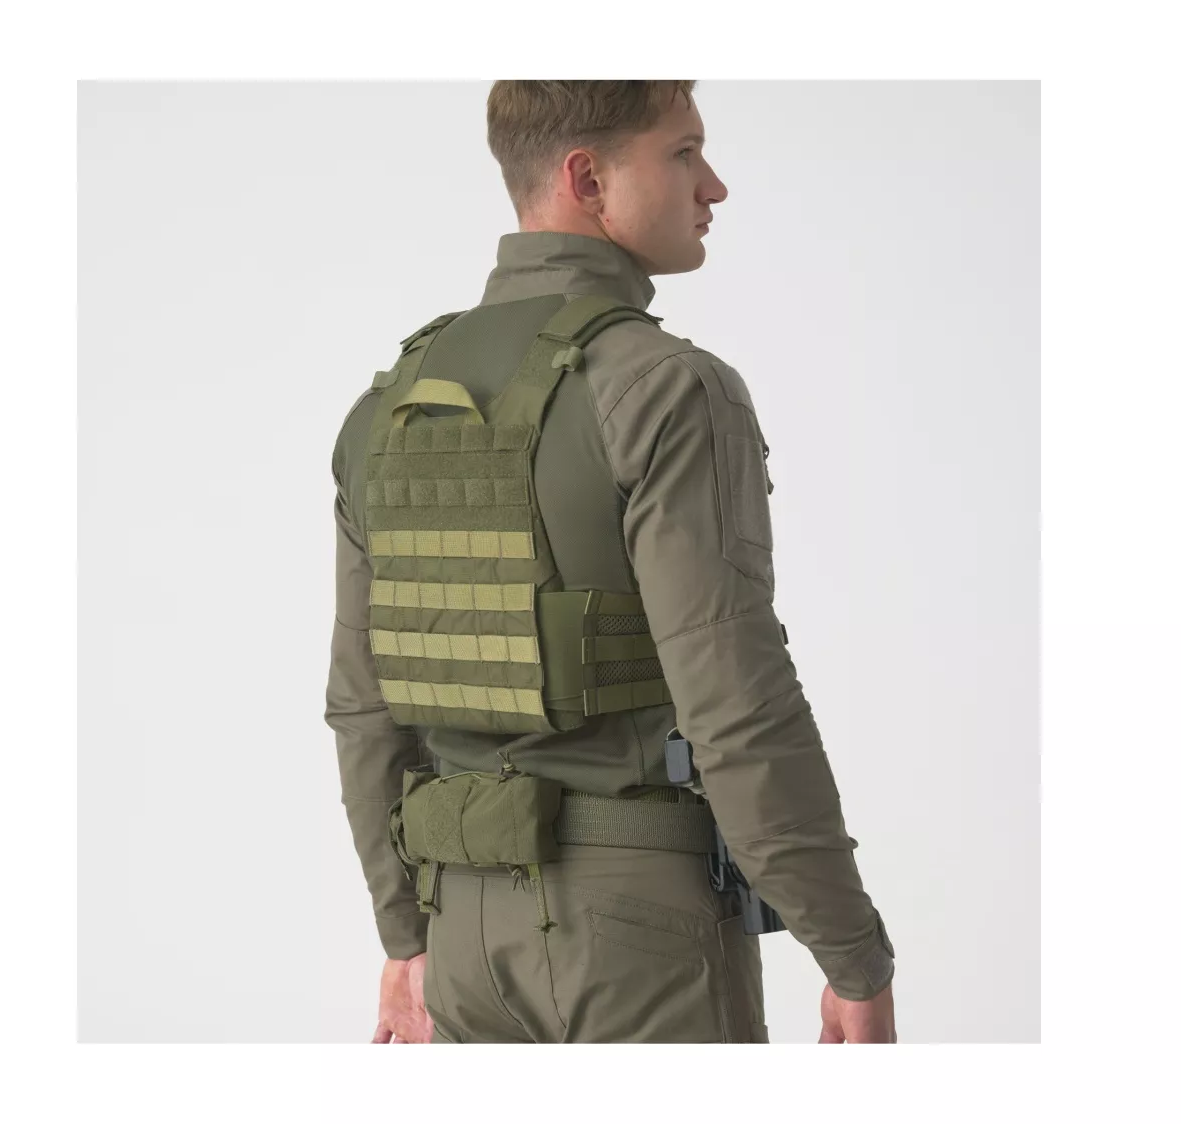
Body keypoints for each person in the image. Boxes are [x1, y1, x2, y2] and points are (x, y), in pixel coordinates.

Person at [325, 80, 896, 1044]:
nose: (714, 186)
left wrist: (406, 939)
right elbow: (737, 704)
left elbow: (362, 704)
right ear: (587, 179)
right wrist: (851, 954)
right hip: (640, 941)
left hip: (459, 938)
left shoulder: (387, 408)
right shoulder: (667, 389)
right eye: (683, 152)